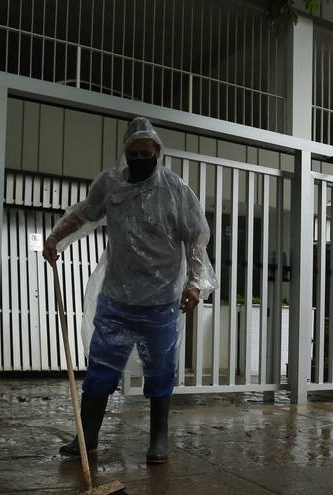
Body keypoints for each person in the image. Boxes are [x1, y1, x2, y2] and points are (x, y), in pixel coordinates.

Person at [42, 117, 216, 464]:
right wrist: (55, 238)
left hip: (161, 301)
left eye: (145, 153)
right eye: (133, 153)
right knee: (100, 371)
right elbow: (83, 214)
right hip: (117, 299)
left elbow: (195, 239)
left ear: (157, 152)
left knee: (161, 372)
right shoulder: (110, 184)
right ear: (126, 153)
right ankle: (87, 439)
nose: (139, 159)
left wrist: (195, 284)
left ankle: (158, 441)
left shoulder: (176, 190)